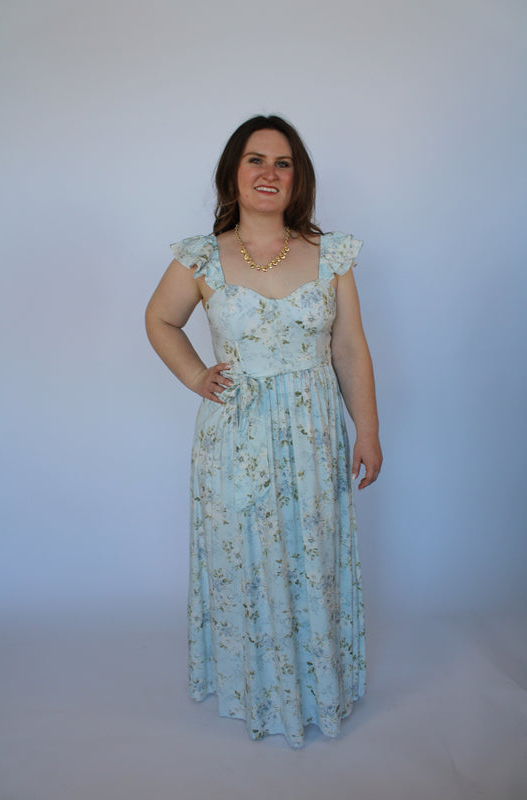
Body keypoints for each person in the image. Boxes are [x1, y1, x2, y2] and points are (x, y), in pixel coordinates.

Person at [145, 115, 382, 748]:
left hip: (312, 437)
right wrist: (196, 376)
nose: (269, 173)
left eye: (283, 162)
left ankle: (314, 687)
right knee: (244, 559)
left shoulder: (331, 255)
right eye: (255, 160)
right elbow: (160, 320)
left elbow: (350, 348)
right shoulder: (201, 257)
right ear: (233, 174)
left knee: (310, 559)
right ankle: (256, 688)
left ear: (298, 178)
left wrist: (367, 432)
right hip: (234, 437)